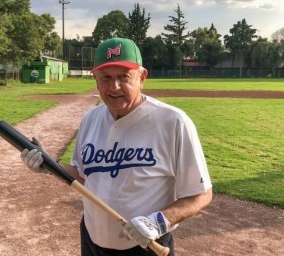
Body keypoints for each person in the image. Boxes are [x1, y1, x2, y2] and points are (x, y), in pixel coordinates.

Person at [20, 37, 212, 256]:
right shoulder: (91, 119)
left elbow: (201, 194)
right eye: (106, 78)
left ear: (142, 78)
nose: (114, 87)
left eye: (124, 77)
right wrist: (49, 165)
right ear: (96, 80)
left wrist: (158, 222)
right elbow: (84, 176)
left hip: (145, 246)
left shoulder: (173, 122)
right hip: (92, 240)